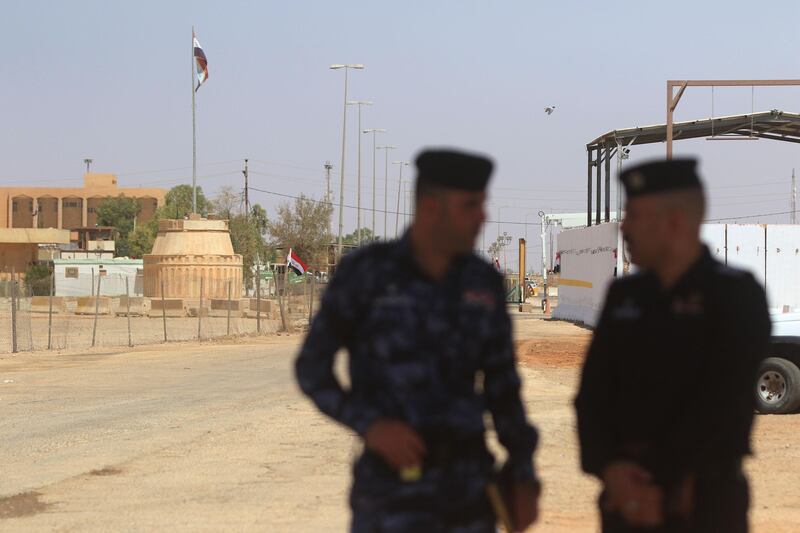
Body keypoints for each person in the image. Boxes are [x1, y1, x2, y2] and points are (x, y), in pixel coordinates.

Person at [296, 148, 540, 532]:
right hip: (390, 493)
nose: (483, 216)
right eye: (470, 205)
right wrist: (371, 425)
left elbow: (503, 387)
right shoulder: (366, 274)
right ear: (430, 208)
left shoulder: (483, 283)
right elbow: (311, 368)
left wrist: (523, 471)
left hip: (468, 491)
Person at [574, 158, 771, 533]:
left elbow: (721, 404)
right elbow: (592, 396)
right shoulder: (623, 295)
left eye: (634, 215)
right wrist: (609, 470)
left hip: (702, 502)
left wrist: (654, 483)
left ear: (676, 221)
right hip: (624, 500)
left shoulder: (734, 295)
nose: (624, 227)